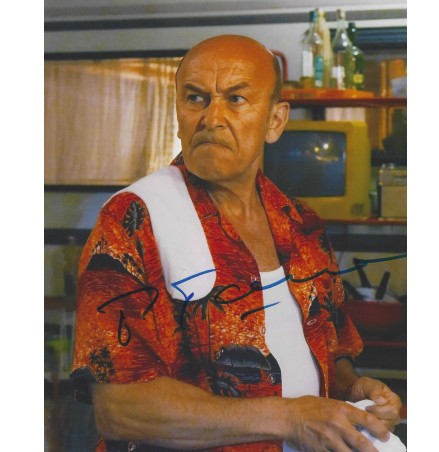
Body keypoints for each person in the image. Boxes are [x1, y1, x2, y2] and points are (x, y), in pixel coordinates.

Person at [71, 35, 402, 452]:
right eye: (196, 98)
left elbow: (329, 354)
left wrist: (351, 391)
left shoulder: (302, 226)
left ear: (274, 121)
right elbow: (119, 408)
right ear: (178, 114)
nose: (211, 117)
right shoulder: (134, 221)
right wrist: (290, 416)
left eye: (236, 99)